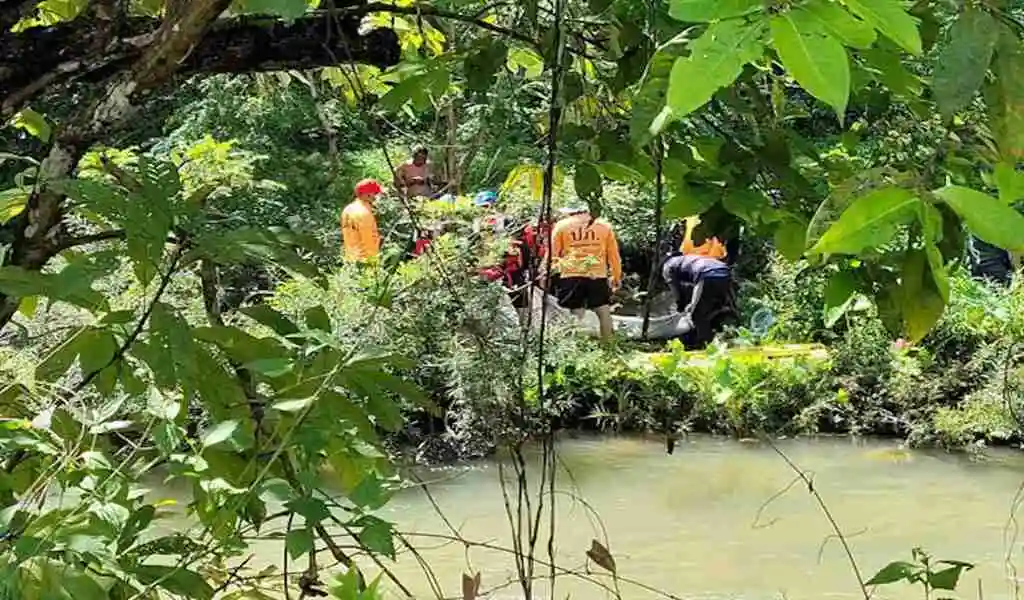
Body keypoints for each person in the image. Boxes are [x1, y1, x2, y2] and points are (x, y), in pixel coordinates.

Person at [548, 206, 622, 339]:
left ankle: (578, 347)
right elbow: (613, 255)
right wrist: (616, 276)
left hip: (571, 273)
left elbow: (553, 253)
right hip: (597, 274)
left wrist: (548, 272)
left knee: (576, 310)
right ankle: (609, 346)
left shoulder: (562, 226)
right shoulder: (604, 226)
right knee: (603, 309)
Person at [473, 191, 538, 325]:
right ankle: (525, 331)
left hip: (501, 269)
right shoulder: (506, 220)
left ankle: (523, 330)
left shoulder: (477, 224)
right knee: (517, 303)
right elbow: (523, 246)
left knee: (514, 302)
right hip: (502, 269)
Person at [661, 252, 737, 349]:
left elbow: (675, 290)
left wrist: (682, 304)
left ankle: (705, 343)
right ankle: (725, 333)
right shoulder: (686, 259)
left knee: (696, 313)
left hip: (706, 275)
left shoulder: (667, 267)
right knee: (715, 307)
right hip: (725, 273)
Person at [341, 179, 382, 263]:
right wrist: (373, 263)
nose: (377, 197)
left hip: (350, 259)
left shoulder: (348, 209)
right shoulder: (365, 213)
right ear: (368, 195)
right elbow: (369, 241)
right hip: (364, 262)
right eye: (376, 193)